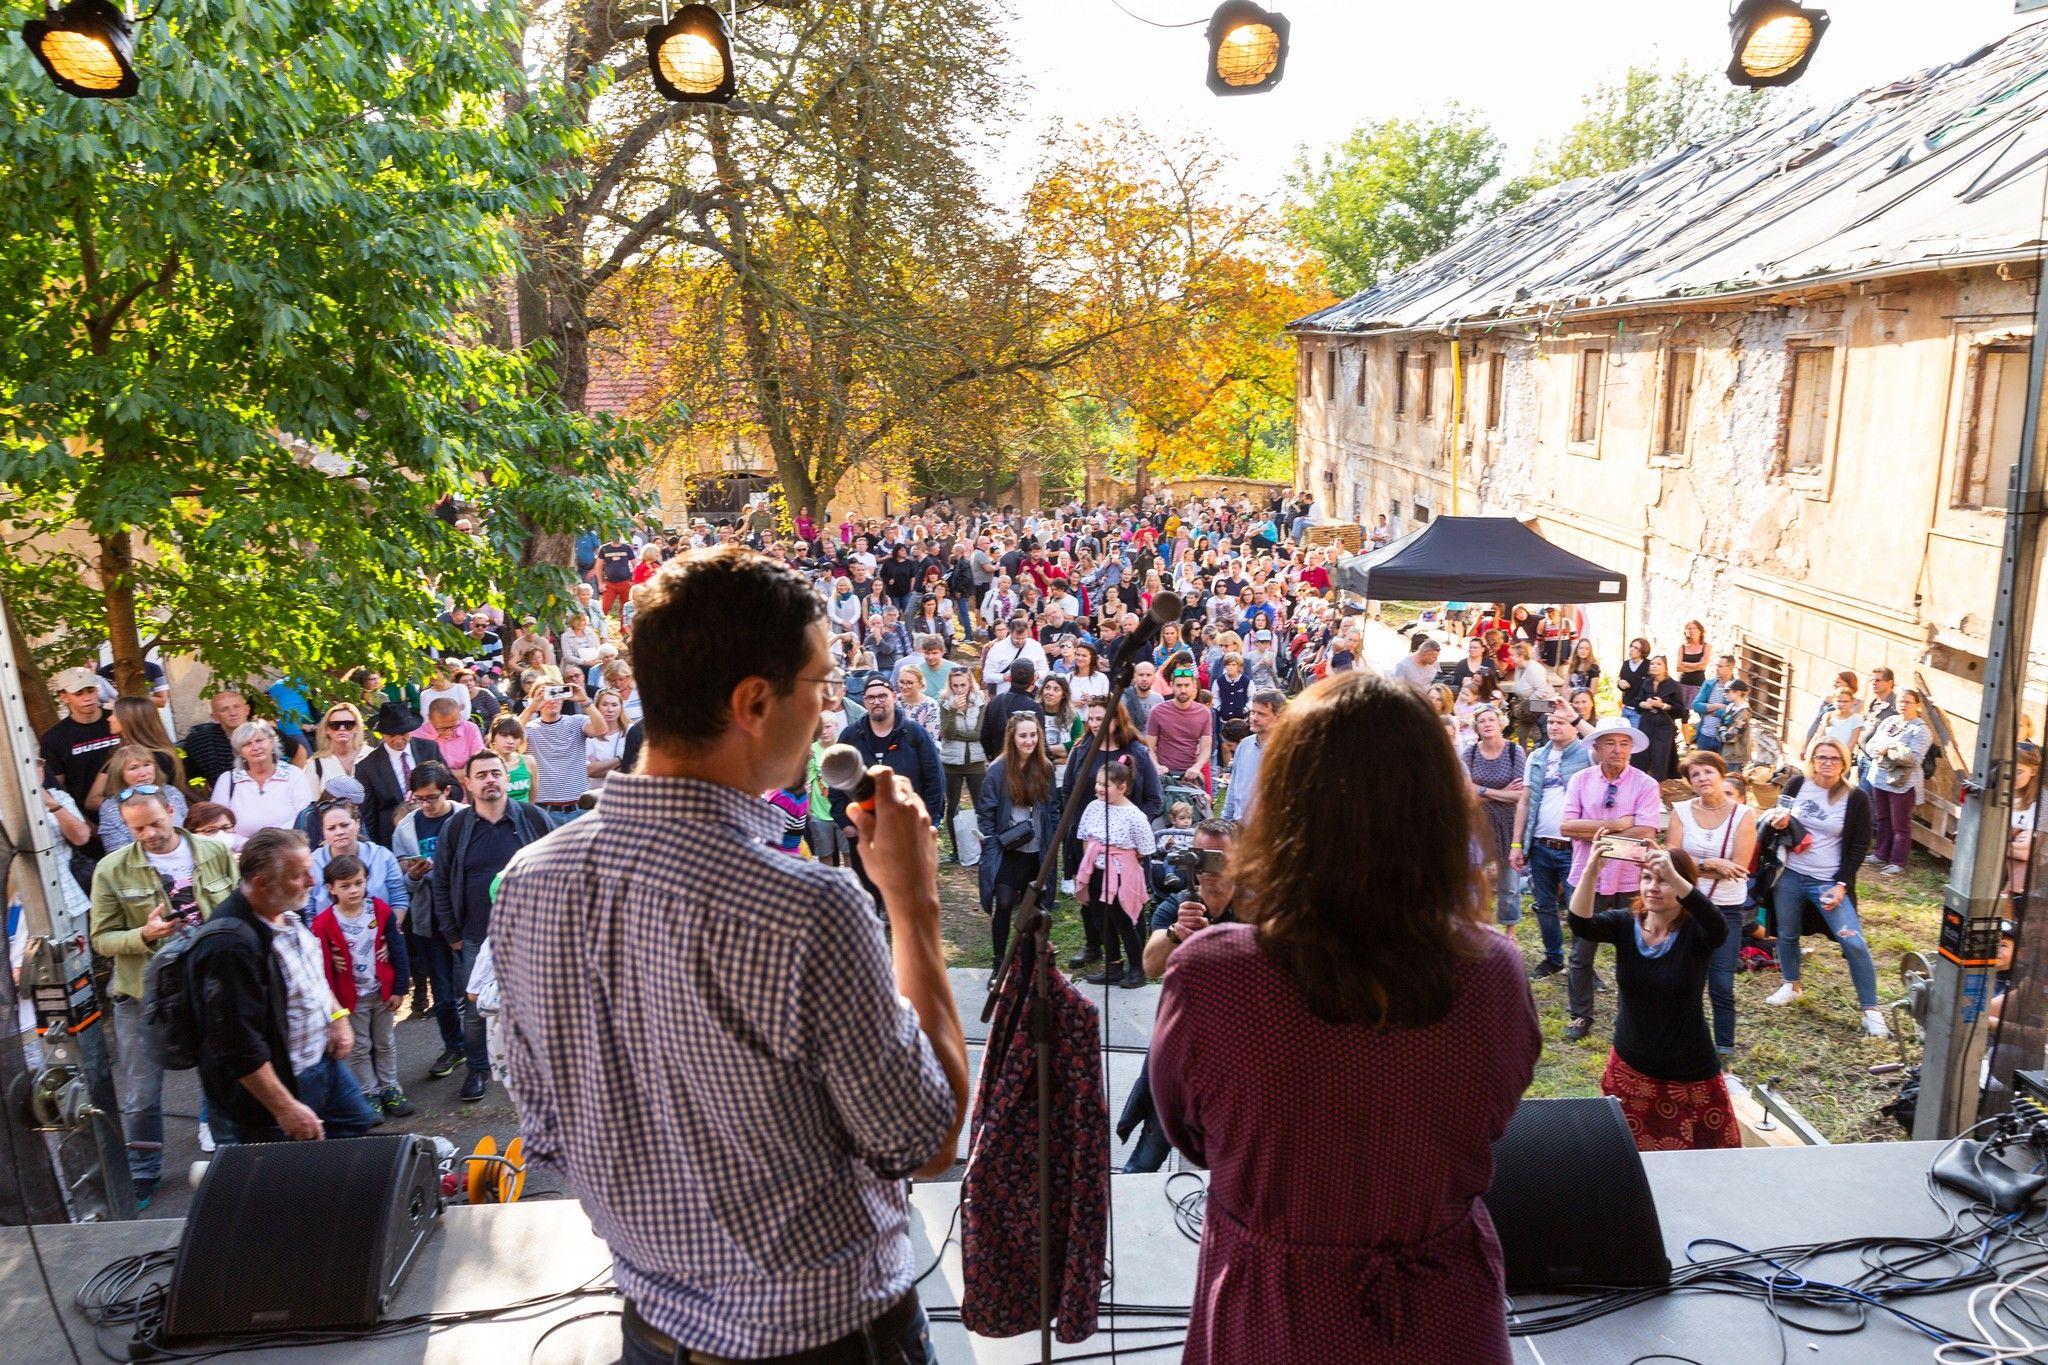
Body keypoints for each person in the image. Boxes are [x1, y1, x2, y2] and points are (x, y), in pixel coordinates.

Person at [492, 545, 968, 1364]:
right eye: (820, 686)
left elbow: (547, 1127)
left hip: (651, 1327)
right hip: (828, 1340)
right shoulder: (807, 910)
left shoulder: (528, 884)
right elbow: (924, 1141)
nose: (828, 711)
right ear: (754, 700)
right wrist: (914, 905)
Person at [1150, 672, 1540, 1364]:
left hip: (1276, 1317)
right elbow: (1493, 1119)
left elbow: (1193, 1137)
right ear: (1440, 812)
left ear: (1288, 808)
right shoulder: (1495, 972)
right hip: (1443, 1318)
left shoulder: (1212, 974)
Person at [185, 828, 384, 1145]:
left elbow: (310, 977)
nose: (312, 882)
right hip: (278, 1087)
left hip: (323, 1062)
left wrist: (338, 1018)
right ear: (261, 882)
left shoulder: (284, 910)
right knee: (291, 1179)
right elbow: (238, 1045)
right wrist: (284, 1107)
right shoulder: (228, 946)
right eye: (298, 875)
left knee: (355, 1129)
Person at [88, 788, 237, 1205]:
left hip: (210, 987)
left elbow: (242, 905)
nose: (149, 834)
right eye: (137, 829)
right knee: (140, 1093)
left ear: (173, 811)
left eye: (155, 823)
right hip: (144, 996)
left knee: (221, 1077)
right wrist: (144, 934)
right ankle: (143, 1173)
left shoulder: (214, 850)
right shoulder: (111, 869)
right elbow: (101, 939)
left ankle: (231, 1162)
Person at [1569, 842, 1738, 1150]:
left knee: (1706, 1167)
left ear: (1680, 883)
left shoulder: (1696, 931)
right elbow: (1580, 923)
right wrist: (1591, 869)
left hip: (1689, 1072)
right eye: (1647, 878)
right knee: (1628, 1162)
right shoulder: (1624, 924)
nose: (1653, 887)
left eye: (1663, 880)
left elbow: (1719, 928)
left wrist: (1673, 875)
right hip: (1630, 1068)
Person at [429, 751, 554, 1101]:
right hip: (475, 935)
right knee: (475, 1008)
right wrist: (452, 933)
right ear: (467, 783)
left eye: (496, 773)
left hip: (533, 936)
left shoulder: (533, 818)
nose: (490, 780)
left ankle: (541, 1068)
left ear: (506, 777)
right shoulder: (456, 827)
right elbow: (440, 881)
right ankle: (478, 1070)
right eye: (481, 774)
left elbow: (562, 867)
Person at [1761, 738, 1887, 1037]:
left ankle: (1871, 1009)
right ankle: (1791, 984)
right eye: (1821, 757)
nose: (1827, 763)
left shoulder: (1855, 797)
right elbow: (1780, 819)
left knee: (1853, 941)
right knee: (1786, 933)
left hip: (1828, 882)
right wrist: (1778, 824)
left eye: (1833, 758)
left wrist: (1842, 884)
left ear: (1844, 763)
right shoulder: (1795, 785)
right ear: (1812, 760)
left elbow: (1859, 845)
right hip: (1789, 874)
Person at [1559, 716, 1663, 1044]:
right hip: (1587, 876)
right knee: (1581, 951)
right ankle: (1580, 1014)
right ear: (1597, 747)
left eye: (1624, 743)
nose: (1618, 750)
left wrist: (1593, 830)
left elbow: (1646, 831)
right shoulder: (1580, 780)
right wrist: (1618, 824)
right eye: (1610, 743)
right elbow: (1566, 827)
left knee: (1635, 952)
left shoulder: (1646, 784)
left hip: (1632, 879)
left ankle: (1632, 1015)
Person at [1665, 750, 1757, 1058]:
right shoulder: (1681, 810)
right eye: (1695, 775)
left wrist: (1697, 865)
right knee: (1678, 977)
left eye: (1708, 772)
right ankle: (1676, 1041)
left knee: (1721, 982)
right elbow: (1672, 859)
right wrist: (1711, 863)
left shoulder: (1743, 815)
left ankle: (1724, 1053)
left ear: (1721, 774)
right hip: (1685, 904)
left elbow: (1739, 867)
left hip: (1725, 908)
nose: (1702, 778)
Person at [311, 854, 416, 1119]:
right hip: (350, 999)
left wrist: (399, 988)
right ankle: (369, 1092)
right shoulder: (323, 923)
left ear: (367, 881)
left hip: (381, 992)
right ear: (331, 889)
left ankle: (390, 1088)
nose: (354, 890)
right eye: (345, 885)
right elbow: (323, 967)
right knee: (358, 1047)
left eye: (358, 883)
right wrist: (333, 1005)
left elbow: (398, 948)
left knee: (384, 1042)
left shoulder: (379, 910)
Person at [1511, 704, 1593, 982]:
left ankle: (1584, 966)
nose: (1554, 726)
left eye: (1561, 722)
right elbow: (1524, 802)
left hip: (1575, 847)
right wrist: (1516, 844)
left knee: (1579, 910)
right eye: (1551, 722)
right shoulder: (1536, 755)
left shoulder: (1587, 753)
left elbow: (1601, 741)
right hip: (1540, 845)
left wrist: (1577, 717)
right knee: (1544, 906)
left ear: (1573, 725)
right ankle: (1554, 958)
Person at [976, 712, 1061, 967]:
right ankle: (999, 961)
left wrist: (1053, 840)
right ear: (1012, 738)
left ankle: (1029, 962)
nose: (1029, 741)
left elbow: (1053, 808)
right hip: (1007, 849)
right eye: (1023, 736)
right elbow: (986, 811)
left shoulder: (1045, 767)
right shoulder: (998, 770)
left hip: (1036, 850)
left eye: (1033, 735)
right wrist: (993, 841)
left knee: (1034, 908)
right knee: (1003, 904)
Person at [1076, 762, 1157, 988]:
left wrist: (1119, 860)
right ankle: (1113, 965)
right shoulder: (1093, 807)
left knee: (1123, 921)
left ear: (1122, 787)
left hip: (1120, 874)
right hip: (1096, 871)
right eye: (1098, 783)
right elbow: (1085, 836)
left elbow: (1144, 849)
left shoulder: (1134, 815)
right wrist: (1090, 865)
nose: (1099, 788)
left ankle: (1137, 968)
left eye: (1106, 784)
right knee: (1101, 920)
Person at [1462, 705, 1527, 929]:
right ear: (1476, 728)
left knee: (1509, 882)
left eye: (1491, 719)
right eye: (1482, 721)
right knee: (1472, 879)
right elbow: (1465, 796)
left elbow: (1520, 795)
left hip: (1509, 824)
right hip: (1478, 824)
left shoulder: (1514, 751)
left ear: (1501, 723)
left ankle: (1510, 929)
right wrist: (1501, 793)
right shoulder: (1469, 753)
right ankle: (1474, 924)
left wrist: (1481, 790)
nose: (1487, 724)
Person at [520, 673, 609, 822]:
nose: (551, 700)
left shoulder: (577, 721)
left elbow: (601, 729)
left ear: (563, 696)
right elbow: (512, 738)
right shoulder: (529, 728)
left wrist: (585, 701)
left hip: (579, 807)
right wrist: (530, 709)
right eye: (544, 694)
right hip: (544, 810)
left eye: (555, 693)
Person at [1864, 689, 1932, 877]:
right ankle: (1880, 854)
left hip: (1903, 782)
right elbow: (1871, 744)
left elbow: (1915, 758)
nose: (1903, 704)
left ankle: (1897, 861)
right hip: (1880, 777)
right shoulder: (1889, 722)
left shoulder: (1920, 730)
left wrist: (1889, 749)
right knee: (1883, 818)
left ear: (1917, 705)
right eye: (1901, 701)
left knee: (1900, 824)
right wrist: (1876, 749)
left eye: (1908, 702)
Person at [307, 798, 408, 919]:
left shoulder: (382, 856)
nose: (339, 832)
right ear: (323, 832)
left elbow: (398, 897)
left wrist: (391, 930)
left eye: (344, 825)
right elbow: (309, 909)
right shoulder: (312, 863)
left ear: (357, 824)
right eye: (331, 828)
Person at [357, 702, 440, 847]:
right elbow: (369, 817)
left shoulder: (429, 749)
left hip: (436, 829)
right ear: (382, 734)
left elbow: (452, 788)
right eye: (391, 735)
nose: (398, 740)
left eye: (403, 733)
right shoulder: (366, 767)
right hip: (394, 840)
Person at [212, 720, 314, 838]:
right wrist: (249, 846)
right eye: (247, 744)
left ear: (272, 742)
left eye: (259, 740)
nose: (255, 747)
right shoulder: (227, 781)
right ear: (240, 753)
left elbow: (306, 819)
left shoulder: (293, 774)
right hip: (243, 852)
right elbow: (217, 827)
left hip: (289, 847)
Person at [40, 666, 120, 813]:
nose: (87, 698)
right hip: (87, 819)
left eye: (91, 690)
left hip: (135, 810)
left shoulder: (118, 720)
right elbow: (57, 791)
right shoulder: (53, 739)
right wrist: (84, 826)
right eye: (78, 693)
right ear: (63, 697)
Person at [93, 745, 189, 852]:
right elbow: (118, 852)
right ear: (120, 774)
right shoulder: (110, 807)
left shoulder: (172, 793)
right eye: (133, 768)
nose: (143, 773)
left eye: (147, 765)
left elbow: (189, 832)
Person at [936, 667, 987, 863]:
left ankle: (982, 846)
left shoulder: (980, 700)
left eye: (963, 685)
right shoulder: (945, 702)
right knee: (953, 806)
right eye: (955, 685)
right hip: (952, 761)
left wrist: (958, 735)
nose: (959, 690)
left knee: (980, 805)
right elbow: (947, 732)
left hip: (975, 760)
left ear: (970, 684)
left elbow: (978, 733)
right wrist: (952, 710)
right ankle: (958, 849)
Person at [1145, 664, 1213, 791]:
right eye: (1179, 685)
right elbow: (1149, 747)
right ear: (1171, 686)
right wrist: (1157, 766)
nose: (1183, 690)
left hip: (1190, 774)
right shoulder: (1158, 711)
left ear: (1194, 686)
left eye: (1186, 685)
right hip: (1164, 774)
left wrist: (1197, 767)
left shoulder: (1204, 712)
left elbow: (1206, 749)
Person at [1220, 689, 1282, 825]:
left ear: (1278, 717)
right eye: (1253, 712)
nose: (1254, 718)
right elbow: (1233, 788)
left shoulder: (1289, 750)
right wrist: (1225, 821)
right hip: (1241, 828)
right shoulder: (1244, 745)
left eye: (1262, 714)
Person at [1632, 655, 1684, 781]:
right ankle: (1639, 787)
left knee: (1660, 759)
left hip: (1664, 727)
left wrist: (1663, 705)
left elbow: (1681, 711)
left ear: (1665, 667)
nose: (1654, 666)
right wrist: (1643, 704)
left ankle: (1657, 791)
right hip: (1646, 724)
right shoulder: (1646, 683)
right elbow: (1637, 701)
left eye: (1659, 664)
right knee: (1641, 756)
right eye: (1652, 663)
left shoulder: (1674, 685)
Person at [305, 702, 370, 799]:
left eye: (348, 725)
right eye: (335, 725)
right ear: (327, 729)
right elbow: (310, 805)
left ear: (356, 727)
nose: (342, 728)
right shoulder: (315, 764)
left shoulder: (371, 756)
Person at [981, 614, 1048, 694]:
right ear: (1010, 633)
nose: (1020, 641)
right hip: (1006, 694)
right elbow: (987, 676)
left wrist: (1037, 675)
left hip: (1031, 694)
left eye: (1023, 638)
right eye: (1017, 638)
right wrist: (1004, 677)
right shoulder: (997, 648)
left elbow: (1045, 669)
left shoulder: (1035, 646)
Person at [1690, 654, 1738, 755]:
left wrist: (1710, 711)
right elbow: (1696, 705)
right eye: (1717, 665)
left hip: (1723, 739)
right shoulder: (1709, 684)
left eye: (1720, 666)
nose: (1717, 669)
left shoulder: (1737, 688)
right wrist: (1717, 706)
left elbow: (1734, 713)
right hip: (1704, 736)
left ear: (1731, 668)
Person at [485, 715, 537, 804]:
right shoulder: (485, 764)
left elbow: (532, 797)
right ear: (493, 737)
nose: (510, 741)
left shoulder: (528, 761)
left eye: (515, 737)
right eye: (504, 735)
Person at [1674, 620, 1710, 713]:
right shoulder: (1682, 647)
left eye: (1694, 628)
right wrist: (1697, 666)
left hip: (1699, 684)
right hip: (1684, 683)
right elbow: (1678, 668)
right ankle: (1684, 728)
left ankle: (1700, 728)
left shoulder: (1706, 647)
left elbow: (1703, 666)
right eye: (1689, 628)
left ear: (1700, 631)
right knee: (1683, 713)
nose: (1691, 630)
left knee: (1700, 711)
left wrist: (1685, 664)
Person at [1616, 638, 1651, 725]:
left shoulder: (1649, 665)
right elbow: (1622, 685)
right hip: (1626, 708)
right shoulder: (1626, 664)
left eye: (1636, 648)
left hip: (1640, 711)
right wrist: (1620, 683)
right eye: (1631, 646)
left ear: (1643, 651)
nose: (1632, 649)